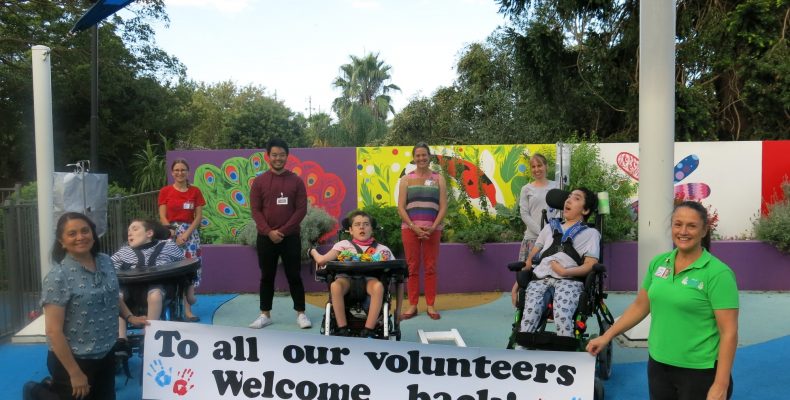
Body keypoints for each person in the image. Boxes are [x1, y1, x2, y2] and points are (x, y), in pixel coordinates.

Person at [587, 201, 738, 400]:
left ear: (704, 231)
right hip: (659, 365)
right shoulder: (659, 263)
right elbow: (640, 306)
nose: (683, 231)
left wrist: (721, 383)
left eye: (691, 226)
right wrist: (607, 336)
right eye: (678, 224)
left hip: (700, 371)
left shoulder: (718, 273)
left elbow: (729, 333)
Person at [40, 212, 146, 400]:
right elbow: (53, 331)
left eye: (85, 231)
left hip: (106, 352)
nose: (80, 237)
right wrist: (74, 373)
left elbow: (112, 294)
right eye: (72, 234)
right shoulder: (58, 277)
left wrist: (130, 317)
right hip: (74, 361)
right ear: (61, 241)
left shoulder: (105, 261)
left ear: (93, 234)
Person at [511, 187, 601, 337]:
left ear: (585, 211)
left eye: (576, 198)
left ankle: (566, 351)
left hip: (569, 281)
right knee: (528, 319)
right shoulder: (548, 228)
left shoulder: (591, 234)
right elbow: (530, 261)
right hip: (540, 279)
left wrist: (565, 272)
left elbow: (590, 265)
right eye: (569, 196)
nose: (569, 200)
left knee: (562, 317)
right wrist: (516, 287)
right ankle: (523, 351)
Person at [248, 138, 311, 329]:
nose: (278, 158)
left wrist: (282, 232)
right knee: (267, 276)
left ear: (287, 156)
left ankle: (301, 313)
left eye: (282, 155)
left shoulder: (297, 181)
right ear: (268, 156)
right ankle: (264, 314)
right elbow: (255, 210)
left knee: (294, 275)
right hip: (265, 238)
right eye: (274, 155)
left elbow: (300, 210)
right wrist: (268, 232)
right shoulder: (259, 182)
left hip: (290, 237)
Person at [309, 210, 394, 337]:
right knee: (335, 286)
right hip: (346, 279)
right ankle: (342, 328)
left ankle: (368, 330)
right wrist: (312, 251)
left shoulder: (382, 250)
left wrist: (397, 314)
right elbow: (322, 260)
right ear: (350, 230)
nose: (361, 227)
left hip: (370, 281)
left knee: (378, 286)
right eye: (357, 224)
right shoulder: (343, 245)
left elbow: (399, 273)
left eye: (366, 224)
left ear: (372, 229)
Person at [110, 219, 185, 358]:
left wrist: (189, 292)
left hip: (160, 288)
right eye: (128, 231)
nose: (130, 233)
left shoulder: (168, 246)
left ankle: (148, 337)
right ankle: (122, 340)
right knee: (116, 296)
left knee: (155, 295)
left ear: (149, 233)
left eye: (135, 229)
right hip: (131, 291)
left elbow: (185, 266)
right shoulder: (124, 252)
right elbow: (108, 270)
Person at [397, 142, 448, 320]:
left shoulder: (438, 179)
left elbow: (443, 207)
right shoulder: (406, 179)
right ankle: (412, 306)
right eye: (418, 155)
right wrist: (413, 226)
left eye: (424, 155)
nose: (421, 158)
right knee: (412, 268)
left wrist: (433, 227)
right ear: (413, 158)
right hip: (410, 229)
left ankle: (431, 305)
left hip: (432, 230)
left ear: (429, 156)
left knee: (431, 268)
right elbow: (401, 208)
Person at [158, 158, 205, 322]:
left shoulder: (195, 191)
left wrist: (187, 234)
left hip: (190, 235)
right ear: (172, 173)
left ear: (188, 172)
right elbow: (163, 216)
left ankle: (187, 309)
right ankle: (168, 307)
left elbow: (198, 216)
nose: (180, 173)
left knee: (188, 270)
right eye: (176, 170)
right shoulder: (165, 191)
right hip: (170, 234)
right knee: (171, 268)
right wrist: (174, 233)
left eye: (183, 170)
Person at [518, 153, 559, 261]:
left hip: (552, 239)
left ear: (546, 166)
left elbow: (561, 210)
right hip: (532, 240)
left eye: (539, 165)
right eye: (533, 166)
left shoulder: (556, 186)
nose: (536, 169)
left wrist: (550, 232)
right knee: (526, 275)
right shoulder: (526, 189)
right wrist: (541, 232)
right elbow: (524, 214)